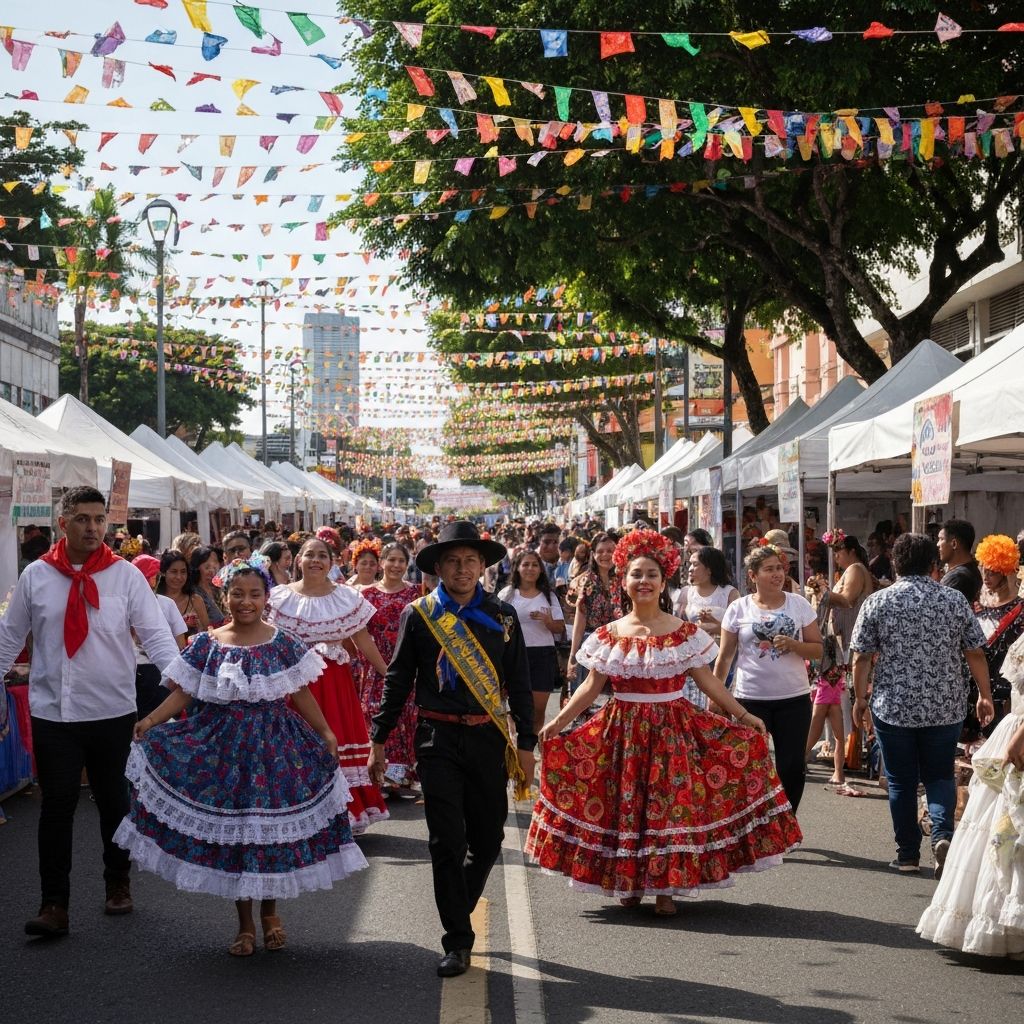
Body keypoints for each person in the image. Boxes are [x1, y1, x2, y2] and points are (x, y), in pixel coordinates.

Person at [526, 530, 801, 916]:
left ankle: (666, 889)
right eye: (636, 574)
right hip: (622, 730)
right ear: (624, 580)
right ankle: (630, 880)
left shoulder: (682, 632)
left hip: (674, 731)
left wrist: (743, 715)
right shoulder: (609, 634)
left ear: (663, 580)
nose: (644, 581)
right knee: (626, 805)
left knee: (670, 806)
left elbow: (708, 680)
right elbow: (590, 687)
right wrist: (557, 722)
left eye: (652, 574)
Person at [118, 555, 367, 955]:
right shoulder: (208, 643)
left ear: (266, 598)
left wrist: (324, 731)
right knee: (238, 836)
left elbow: (300, 692)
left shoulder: (283, 642)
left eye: (254, 594)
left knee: (267, 833)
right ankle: (245, 924)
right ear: (225, 595)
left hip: (276, 750)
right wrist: (151, 719)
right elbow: (185, 690)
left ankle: (270, 913)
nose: (245, 601)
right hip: (225, 751)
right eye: (237, 594)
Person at [0, 486, 180, 937]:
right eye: (83, 519)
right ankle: (54, 904)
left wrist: (188, 685)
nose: (93, 528)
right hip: (53, 712)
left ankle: (117, 882)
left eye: (100, 520)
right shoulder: (36, 576)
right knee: (57, 805)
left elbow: (155, 636)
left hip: (112, 709)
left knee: (113, 801)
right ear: (63, 523)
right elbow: (10, 637)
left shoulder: (124, 577)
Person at [369, 521, 536, 978]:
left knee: (487, 839)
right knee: (446, 841)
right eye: (453, 561)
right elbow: (398, 681)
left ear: (483, 567)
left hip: (487, 737)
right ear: (438, 567)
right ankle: (457, 940)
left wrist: (527, 741)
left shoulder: (503, 616)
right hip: (437, 738)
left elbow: (519, 683)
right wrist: (379, 740)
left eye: (470, 561)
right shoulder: (419, 614)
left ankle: (456, 905)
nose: (462, 569)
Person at [850, 533, 993, 876]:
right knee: (939, 774)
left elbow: (861, 656)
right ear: (934, 565)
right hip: (945, 705)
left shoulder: (878, 601)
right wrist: (984, 694)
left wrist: (860, 698)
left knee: (900, 780)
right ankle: (942, 834)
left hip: (893, 705)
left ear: (896, 564)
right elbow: (974, 651)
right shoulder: (954, 601)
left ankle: (908, 855)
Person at [265, 537, 390, 832]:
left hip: (334, 685)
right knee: (297, 746)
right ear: (298, 560)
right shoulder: (280, 597)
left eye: (323, 555)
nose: (316, 560)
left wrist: (389, 674)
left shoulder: (346, 597)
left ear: (332, 563)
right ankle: (299, 814)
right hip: (294, 686)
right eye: (309, 555)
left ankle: (341, 814)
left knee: (337, 742)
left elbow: (363, 641)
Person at [917, 633, 1024, 957]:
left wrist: (1019, 736)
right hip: (1014, 727)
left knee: (1009, 830)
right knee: (1002, 831)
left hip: (1019, 732)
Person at [714, 544, 823, 812]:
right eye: (769, 569)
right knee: (752, 766)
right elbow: (725, 657)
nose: (777, 574)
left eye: (780, 568)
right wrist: (715, 698)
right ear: (753, 576)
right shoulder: (738, 609)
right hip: (750, 700)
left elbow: (818, 649)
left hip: (793, 698)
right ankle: (757, 824)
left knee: (792, 767)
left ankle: (786, 821)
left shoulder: (799, 604)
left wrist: (795, 645)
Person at [806, 531, 876, 793]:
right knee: (841, 700)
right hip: (841, 644)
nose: (835, 557)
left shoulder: (856, 569)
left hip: (851, 642)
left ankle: (850, 748)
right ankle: (843, 748)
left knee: (847, 699)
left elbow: (846, 600)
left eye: (838, 552)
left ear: (851, 552)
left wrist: (823, 590)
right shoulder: (848, 572)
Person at [358, 543, 422, 794]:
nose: (396, 565)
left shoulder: (416, 594)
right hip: (377, 665)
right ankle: (383, 776)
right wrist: (384, 668)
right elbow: (359, 635)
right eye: (391, 560)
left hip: (409, 665)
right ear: (381, 562)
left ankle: (402, 776)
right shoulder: (366, 595)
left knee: (410, 718)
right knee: (378, 717)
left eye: (401, 561)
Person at [498, 549, 565, 736]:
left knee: (538, 708)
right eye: (525, 564)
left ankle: (533, 742)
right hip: (514, 655)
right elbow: (496, 624)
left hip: (542, 655)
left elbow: (560, 628)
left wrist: (548, 621)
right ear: (517, 568)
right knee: (515, 706)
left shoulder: (549, 596)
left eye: (535, 565)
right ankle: (516, 741)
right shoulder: (507, 594)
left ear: (541, 570)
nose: (530, 568)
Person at [675, 545, 739, 708]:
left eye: (695, 564)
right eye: (689, 564)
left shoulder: (729, 593)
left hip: (723, 657)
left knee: (721, 704)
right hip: (695, 659)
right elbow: (678, 628)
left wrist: (715, 627)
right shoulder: (686, 593)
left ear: (709, 569)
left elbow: (739, 632)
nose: (690, 569)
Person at [973, 534, 1024, 736]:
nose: (986, 577)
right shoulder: (979, 606)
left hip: (1007, 687)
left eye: (993, 573)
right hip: (980, 685)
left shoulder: (1020, 610)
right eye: (984, 571)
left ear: (1005, 573)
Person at [129, 554, 188, 720]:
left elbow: (180, 644)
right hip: (143, 674)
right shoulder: (125, 604)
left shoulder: (166, 603)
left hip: (157, 672)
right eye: (153, 576)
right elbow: (180, 644)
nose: (155, 581)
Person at [566, 532, 622, 694]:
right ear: (593, 554)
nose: (605, 555)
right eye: (600, 551)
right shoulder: (586, 581)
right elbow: (580, 617)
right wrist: (573, 654)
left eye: (610, 550)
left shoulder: (625, 580)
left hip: (620, 644)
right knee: (587, 696)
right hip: (592, 643)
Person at [156, 549, 209, 638]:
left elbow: (208, 632)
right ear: (164, 573)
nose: (179, 577)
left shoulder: (195, 601)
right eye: (174, 571)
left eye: (183, 572)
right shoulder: (155, 601)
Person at [938, 518, 983, 606]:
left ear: (954, 544)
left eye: (941, 539)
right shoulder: (971, 570)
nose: (938, 544)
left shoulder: (957, 578)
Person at [189, 546, 225, 626]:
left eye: (215, 563)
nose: (212, 570)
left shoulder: (219, 589)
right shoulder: (194, 593)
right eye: (207, 566)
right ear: (197, 566)